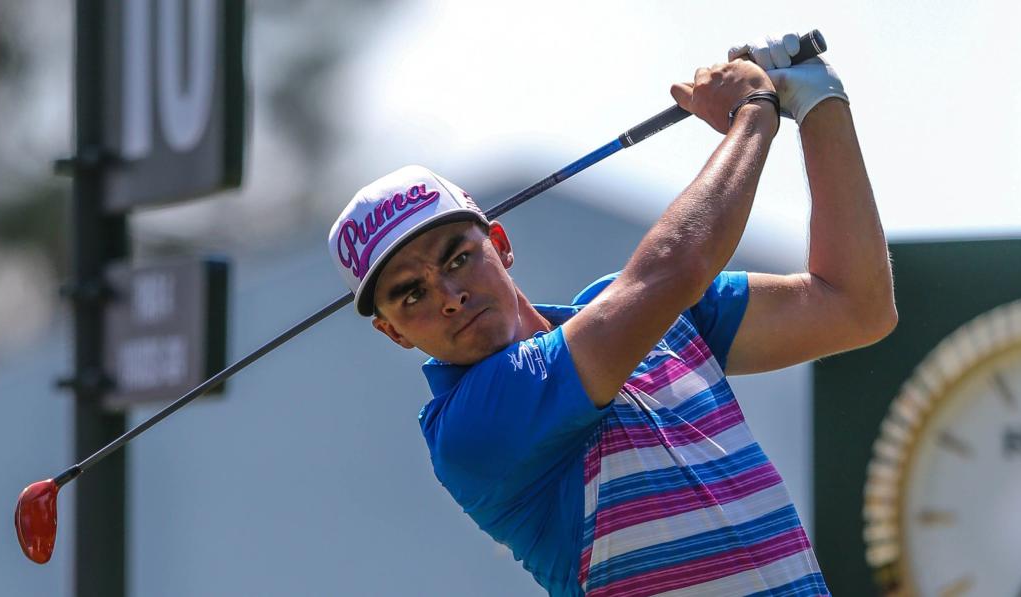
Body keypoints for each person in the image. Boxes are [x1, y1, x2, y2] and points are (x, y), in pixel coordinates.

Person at [327, 33, 895, 596]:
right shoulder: (469, 429)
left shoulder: (654, 313)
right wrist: (753, 116)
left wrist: (820, 104)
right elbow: (675, 269)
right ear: (392, 332)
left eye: (458, 257)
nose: (449, 295)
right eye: (411, 295)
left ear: (499, 244)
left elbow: (855, 305)